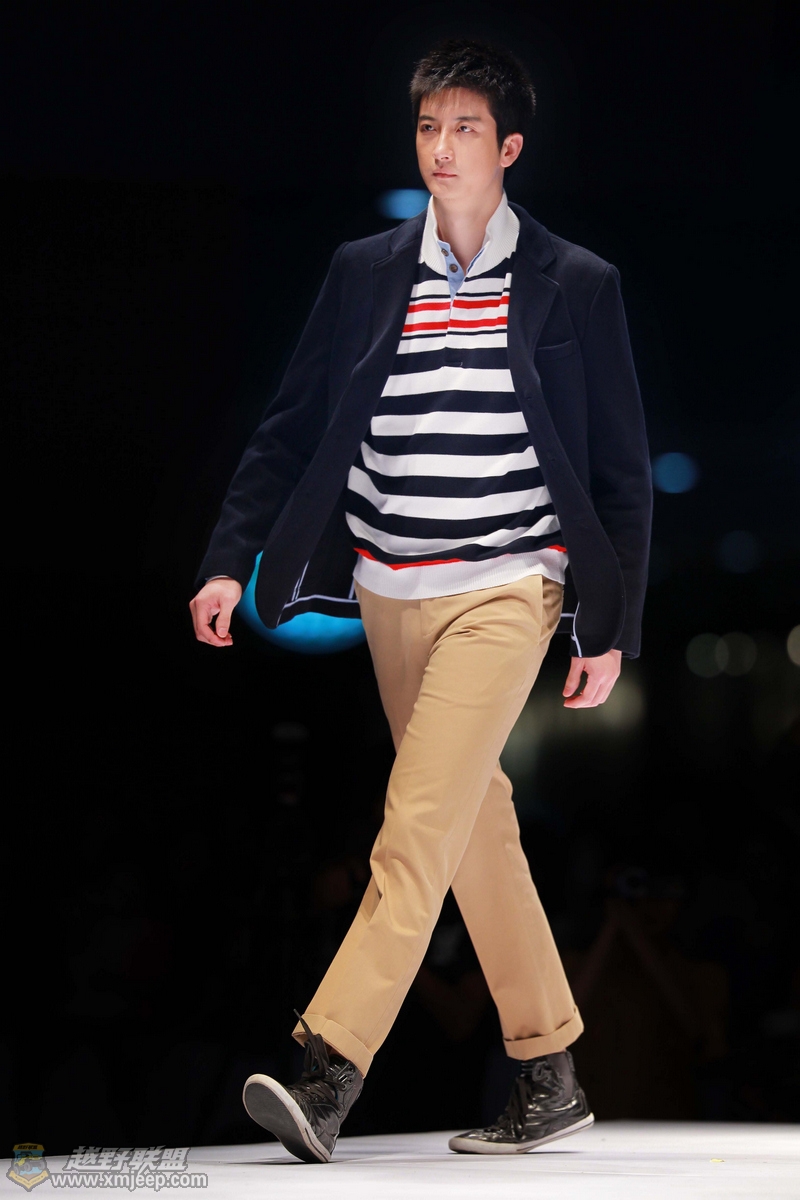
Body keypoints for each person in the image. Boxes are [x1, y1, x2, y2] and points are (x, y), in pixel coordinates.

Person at [189, 38, 652, 1163]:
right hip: (391, 588)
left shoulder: (574, 282)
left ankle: (329, 1067)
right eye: (427, 127)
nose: (441, 148)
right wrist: (228, 557)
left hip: (510, 585)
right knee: (468, 824)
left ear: (509, 148)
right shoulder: (364, 270)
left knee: (413, 825)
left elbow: (620, 471)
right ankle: (547, 1069)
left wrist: (610, 625)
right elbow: (290, 425)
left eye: (464, 129)